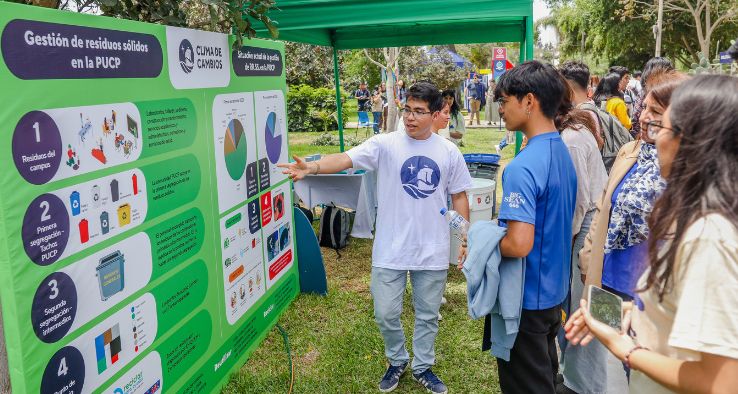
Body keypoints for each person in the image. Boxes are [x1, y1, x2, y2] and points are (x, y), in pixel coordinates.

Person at [279, 82, 472, 394]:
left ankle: (423, 366)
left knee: (427, 316)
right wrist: (313, 166)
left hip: (432, 249)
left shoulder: (448, 152)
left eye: (419, 112)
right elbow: (345, 159)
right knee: (385, 313)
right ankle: (397, 359)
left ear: (437, 114)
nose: (410, 117)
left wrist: (464, 235)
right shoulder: (385, 144)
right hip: (390, 248)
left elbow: (459, 194)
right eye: (407, 109)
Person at [565, 74, 738, 394]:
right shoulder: (699, 216)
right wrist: (622, 313)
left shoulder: (708, 237)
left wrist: (626, 349)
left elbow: (724, 382)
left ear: (698, 142)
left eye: (664, 127)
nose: (654, 137)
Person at [491, 60, 577, 394]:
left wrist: (484, 240)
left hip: (525, 298)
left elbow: (518, 243)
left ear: (528, 102)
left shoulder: (522, 167)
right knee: (544, 374)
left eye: (504, 101)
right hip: (554, 292)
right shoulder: (561, 151)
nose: (501, 109)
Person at [556, 61, 612, 394]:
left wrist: (566, 244)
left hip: (586, 228)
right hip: (590, 224)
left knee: (583, 311)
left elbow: (577, 203)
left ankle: (584, 386)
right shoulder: (577, 128)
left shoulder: (571, 138)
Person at [630, 57, 674, 138]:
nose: (642, 118)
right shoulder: (674, 92)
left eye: (655, 111)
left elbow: (635, 117)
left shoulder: (643, 93)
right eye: (644, 107)